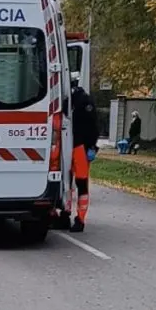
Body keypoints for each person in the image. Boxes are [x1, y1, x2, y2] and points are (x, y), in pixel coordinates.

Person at [54, 72, 99, 232]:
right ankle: (77, 218)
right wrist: (92, 146)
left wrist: (91, 147)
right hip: (79, 146)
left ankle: (68, 216)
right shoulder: (84, 101)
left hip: (73, 145)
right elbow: (94, 126)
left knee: (70, 182)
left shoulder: (70, 100)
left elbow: (92, 127)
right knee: (78, 183)